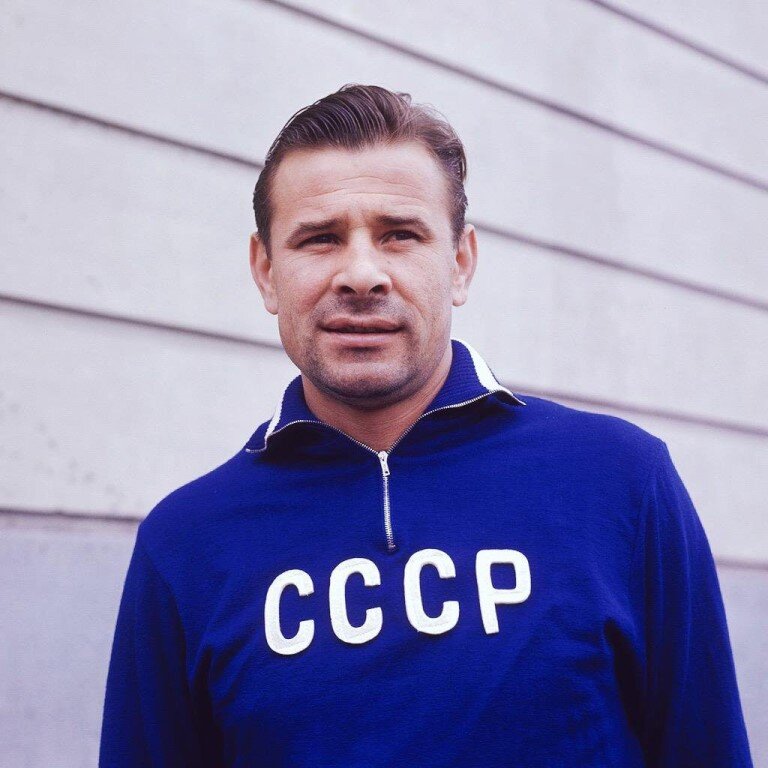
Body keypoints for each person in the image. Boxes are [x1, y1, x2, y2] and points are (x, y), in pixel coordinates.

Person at [99, 83, 753, 767]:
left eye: (400, 235)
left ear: (460, 262)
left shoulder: (620, 482)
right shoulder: (184, 544)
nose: (361, 275)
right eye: (320, 239)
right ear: (266, 271)